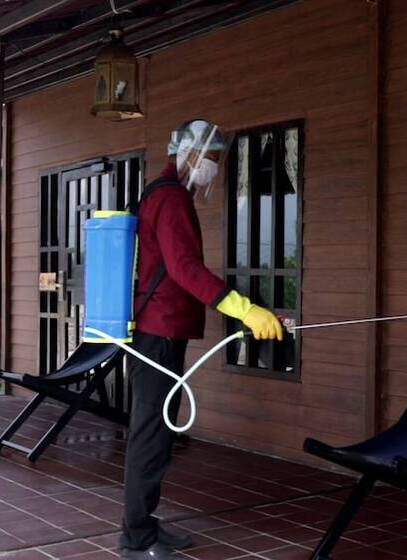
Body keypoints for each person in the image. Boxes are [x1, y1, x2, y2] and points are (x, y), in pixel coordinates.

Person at [119, 119, 283, 560]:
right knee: (151, 433)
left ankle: (144, 523)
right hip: (158, 329)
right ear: (187, 154)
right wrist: (243, 309)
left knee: (159, 428)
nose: (212, 167)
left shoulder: (168, 194)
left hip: (164, 327)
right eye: (208, 159)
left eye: (216, 160)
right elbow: (184, 269)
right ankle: (136, 538)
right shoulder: (170, 197)